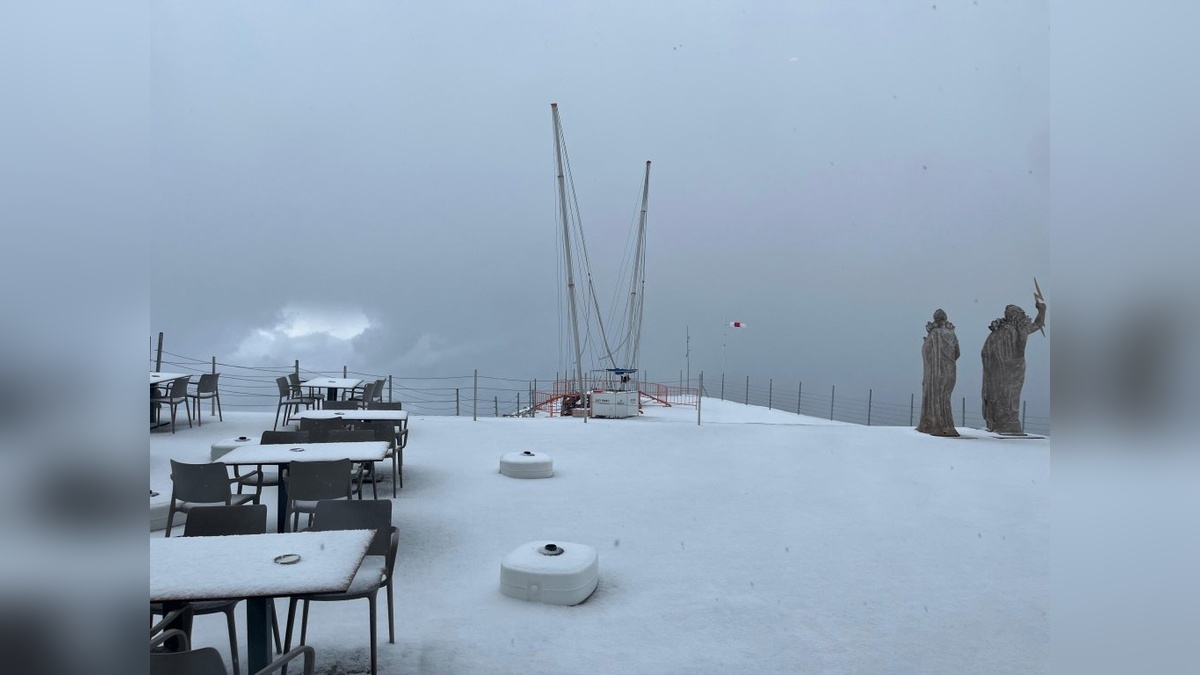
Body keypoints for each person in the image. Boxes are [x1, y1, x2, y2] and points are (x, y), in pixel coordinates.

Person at [981, 300, 1047, 434]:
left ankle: (999, 422)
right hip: (1013, 369)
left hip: (999, 371)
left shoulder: (996, 332)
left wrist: (994, 365)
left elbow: (984, 352)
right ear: (1017, 316)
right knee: (1010, 396)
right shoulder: (1019, 329)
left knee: (1001, 395)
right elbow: (1038, 324)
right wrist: (1042, 310)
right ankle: (1008, 423)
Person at [917, 309, 960, 437]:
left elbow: (926, 351)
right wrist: (948, 360)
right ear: (945, 319)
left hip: (936, 373)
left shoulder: (934, 333)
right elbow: (957, 353)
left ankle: (936, 424)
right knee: (945, 398)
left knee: (936, 396)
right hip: (950, 370)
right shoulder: (951, 334)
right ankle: (947, 424)